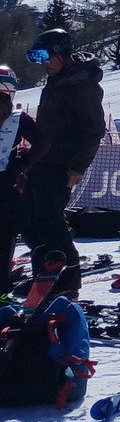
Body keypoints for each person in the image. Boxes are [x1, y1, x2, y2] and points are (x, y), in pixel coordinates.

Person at [16, 31, 106, 296]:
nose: (43, 64)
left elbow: (94, 129)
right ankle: (44, 276)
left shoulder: (82, 84)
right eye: (37, 59)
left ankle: (67, 281)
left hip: (61, 165)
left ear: (61, 54)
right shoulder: (57, 80)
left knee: (49, 220)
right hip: (42, 161)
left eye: (45, 57)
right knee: (27, 219)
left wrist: (78, 167)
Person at [0, 66, 42, 291]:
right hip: (6, 180)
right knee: (8, 231)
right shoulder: (17, 118)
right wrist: (21, 164)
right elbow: (43, 143)